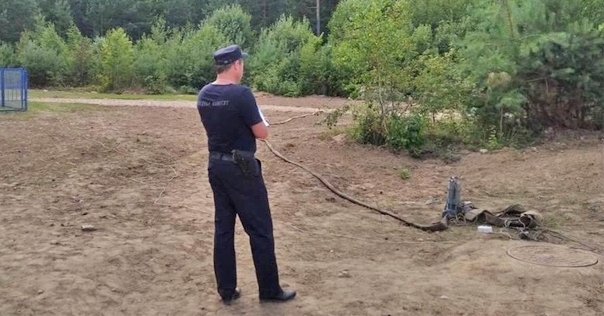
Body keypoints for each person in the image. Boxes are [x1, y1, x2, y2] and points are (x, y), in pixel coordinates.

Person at [196, 44, 296, 304]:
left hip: (216, 167)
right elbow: (262, 133)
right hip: (241, 168)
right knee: (260, 229)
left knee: (223, 229)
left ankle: (226, 290)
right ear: (237, 64)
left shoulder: (204, 94)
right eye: (243, 63)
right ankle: (270, 290)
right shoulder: (242, 95)